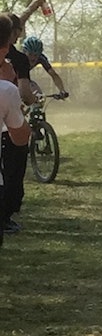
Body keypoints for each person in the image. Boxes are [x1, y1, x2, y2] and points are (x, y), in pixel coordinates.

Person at [1, 13, 35, 234]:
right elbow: (24, 93)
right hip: (9, 123)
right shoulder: (19, 60)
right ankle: (7, 215)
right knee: (13, 170)